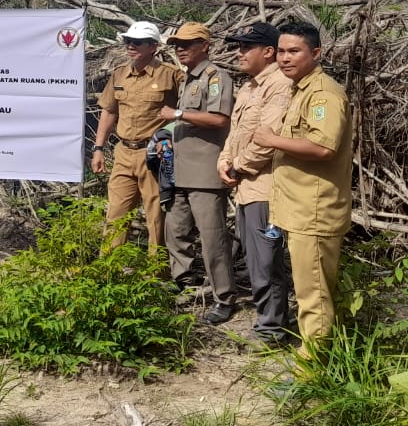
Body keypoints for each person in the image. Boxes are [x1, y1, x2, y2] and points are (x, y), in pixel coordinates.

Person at [254, 22, 353, 351]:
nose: (285, 58)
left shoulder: (323, 94)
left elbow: (324, 147)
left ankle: (312, 369)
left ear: (316, 53)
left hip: (314, 212)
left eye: (294, 51)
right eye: (281, 51)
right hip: (299, 209)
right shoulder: (301, 90)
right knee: (312, 291)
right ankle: (321, 355)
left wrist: (272, 140)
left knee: (314, 297)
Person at [216, 22, 295, 344]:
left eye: (247, 47)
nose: (240, 53)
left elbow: (267, 140)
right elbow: (236, 134)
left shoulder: (280, 85)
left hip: (266, 188)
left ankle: (273, 330)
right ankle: (271, 320)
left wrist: (237, 165)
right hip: (246, 188)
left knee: (266, 260)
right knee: (254, 258)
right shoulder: (249, 87)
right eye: (239, 47)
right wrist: (224, 160)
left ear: (268, 51)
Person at [161, 22, 238, 325]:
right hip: (181, 170)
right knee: (175, 230)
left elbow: (219, 119)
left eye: (187, 44)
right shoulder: (188, 79)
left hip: (205, 173)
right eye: (176, 45)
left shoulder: (215, 77)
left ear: (204, 45)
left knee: (212, 239)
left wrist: (178, 114)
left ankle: (224, 297)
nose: (180, 49)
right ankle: (184, 284)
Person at [91, 21, 183, 248]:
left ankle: (157, 268)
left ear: (153, 46)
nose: (131, 46)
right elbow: (109, 111)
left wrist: (171, 137)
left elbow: (189, 108)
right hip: (123, 153)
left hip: (153, 154)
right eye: (128, 41)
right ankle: (110, 265)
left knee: (156, 216)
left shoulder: (171, 75)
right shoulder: (119, 74)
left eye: (137, 42)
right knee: (116, 214)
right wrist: (98, 148)